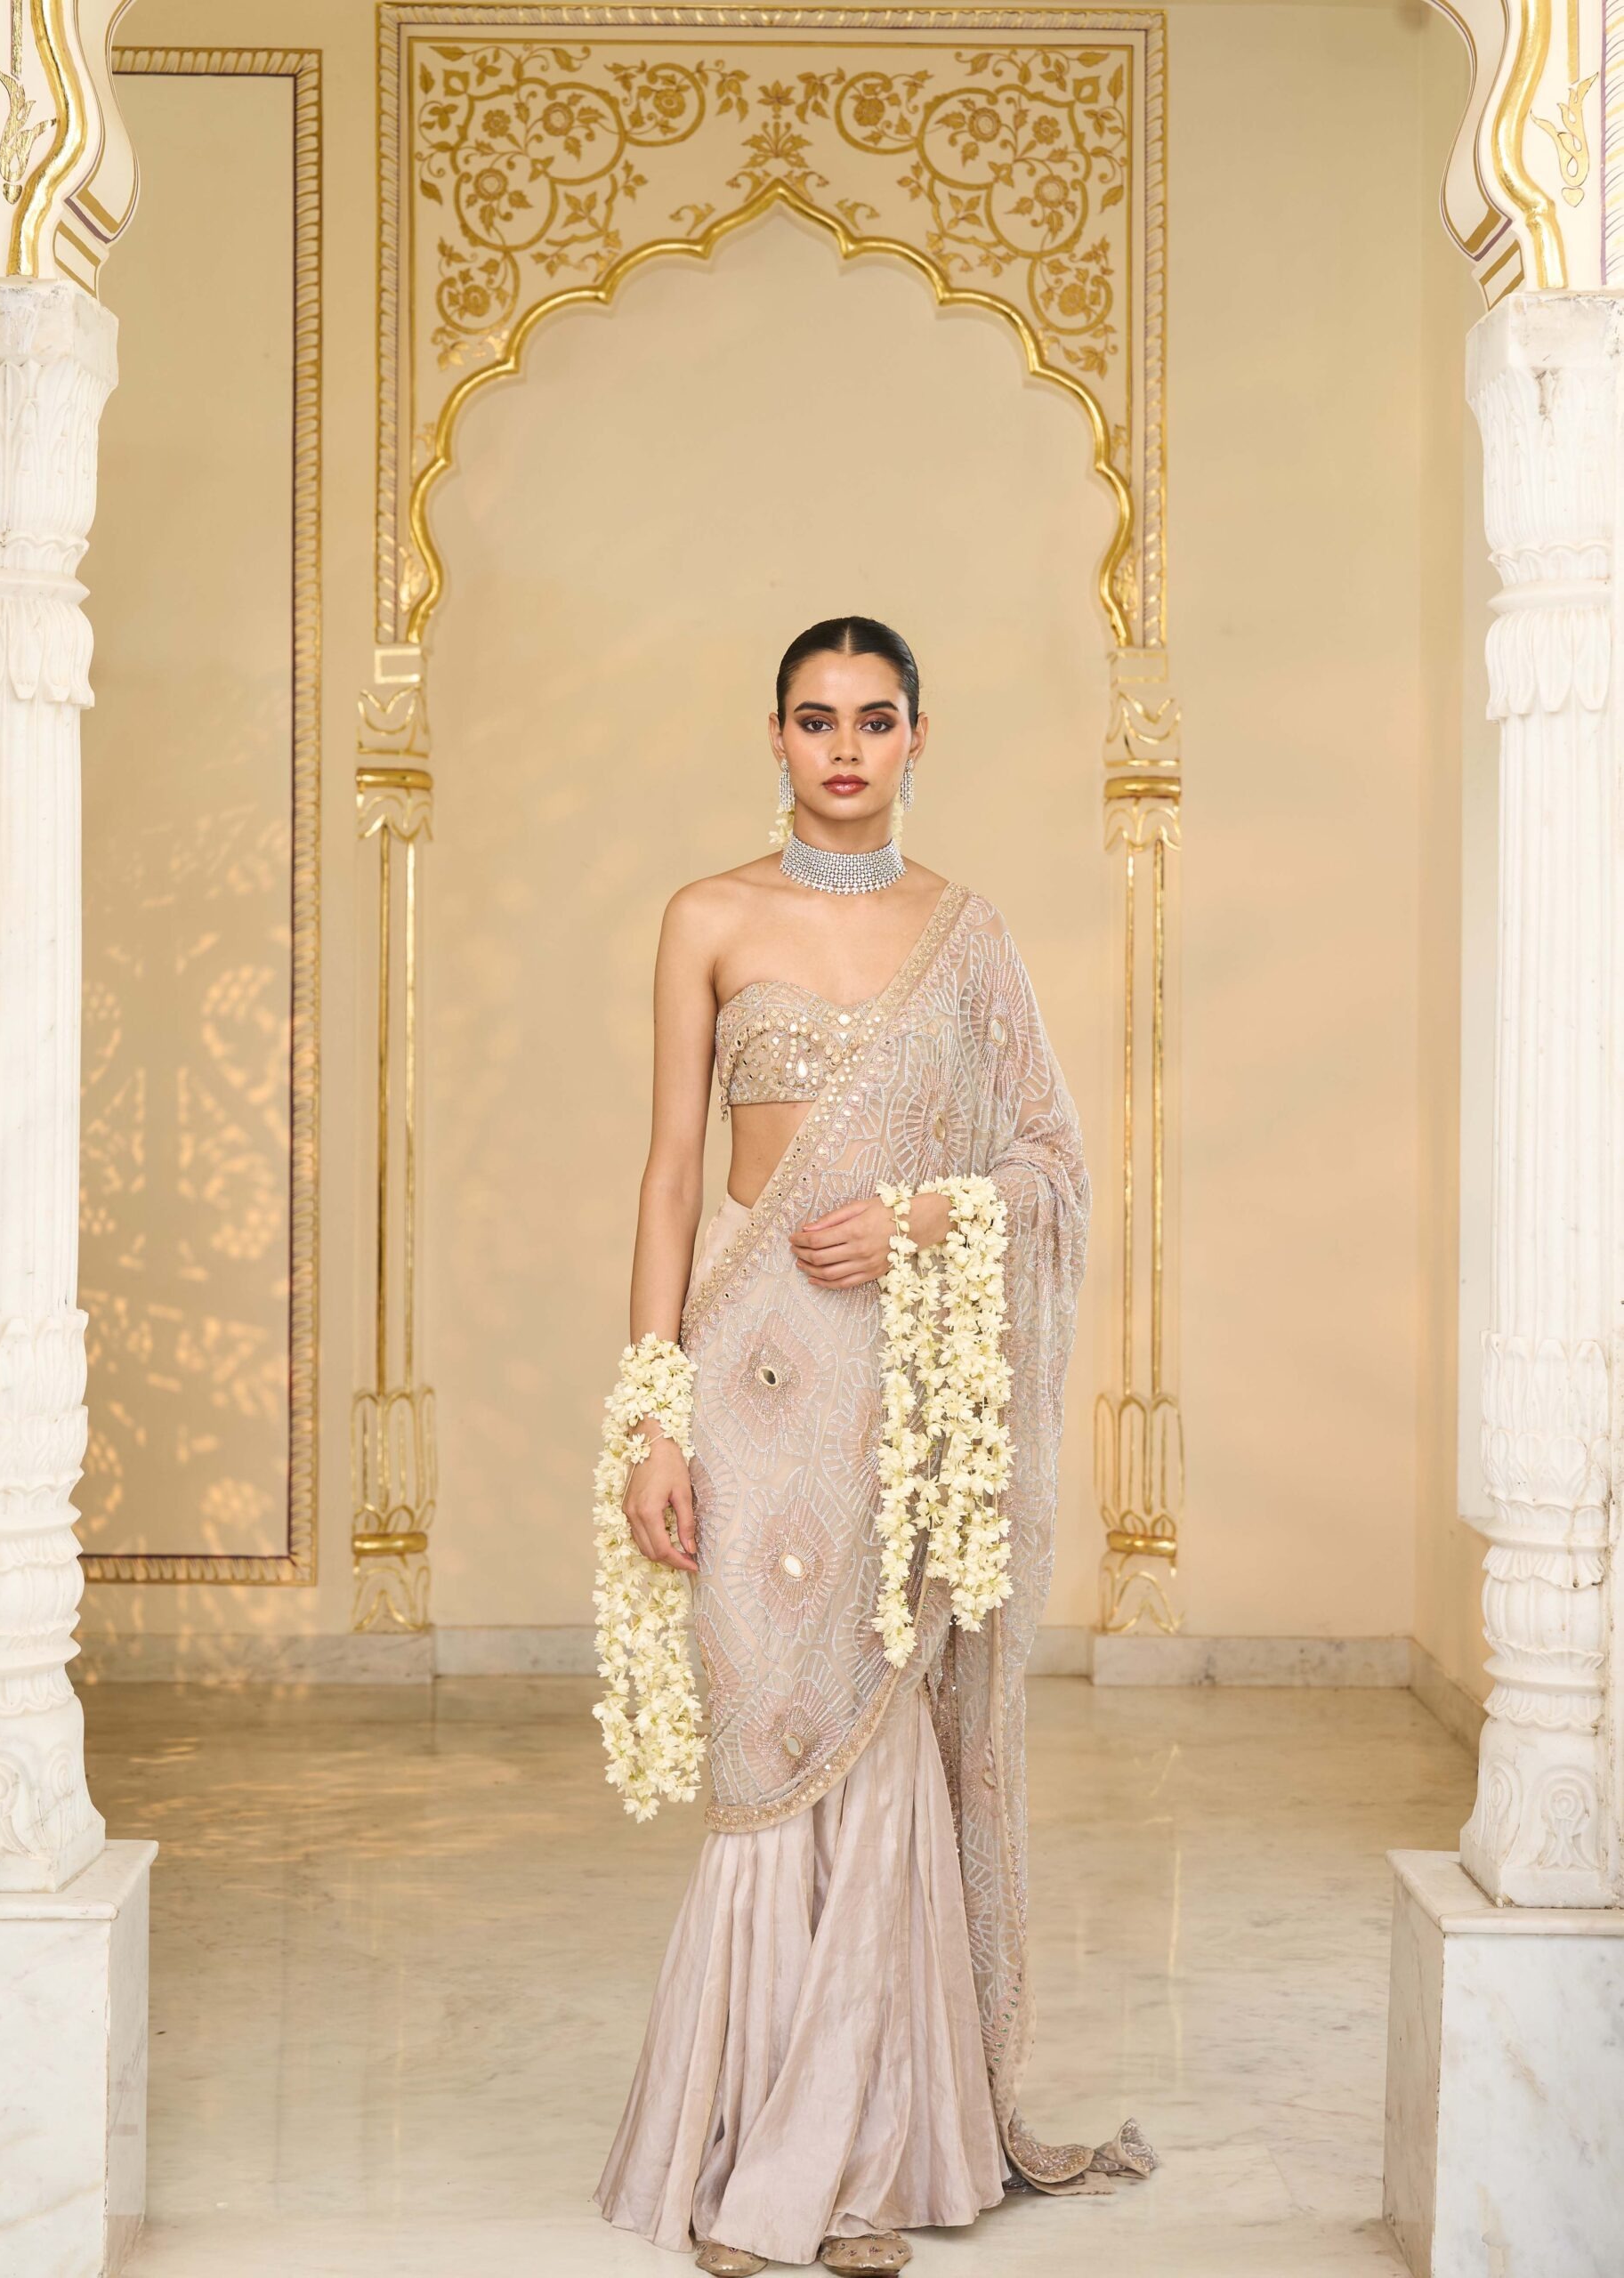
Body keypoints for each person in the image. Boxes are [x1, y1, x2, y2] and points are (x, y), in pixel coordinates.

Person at [594, 618, 1154, 2274]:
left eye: (875, 719)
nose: (844, 747)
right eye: (815, 719)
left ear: (918, 737)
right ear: (773, 737)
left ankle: (848, 2163)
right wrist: (650, 1414)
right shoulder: (708, 917)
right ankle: (753, 2140)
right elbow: (669, 1175)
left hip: (907, 1386)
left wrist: (922, 1217)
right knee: (766, 1732)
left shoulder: (966, 937)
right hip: (747, 1363)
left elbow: (1050, 1163)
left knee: (880, 1721)